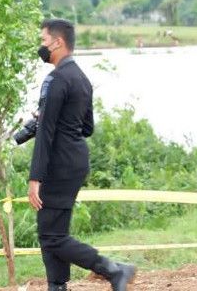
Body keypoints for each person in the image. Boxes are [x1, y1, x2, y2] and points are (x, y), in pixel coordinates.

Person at [27, 19, 136, 291]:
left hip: (59, 164)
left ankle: (113, 269)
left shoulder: (55, 79)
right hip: (75, 161)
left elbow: (46, 133)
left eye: (43, 41)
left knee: (52, 237)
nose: (41, 46)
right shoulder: (81, 78)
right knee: (52, 232)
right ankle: (58, 285)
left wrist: (35, 177)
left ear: (58, 42)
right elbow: (86, 127)